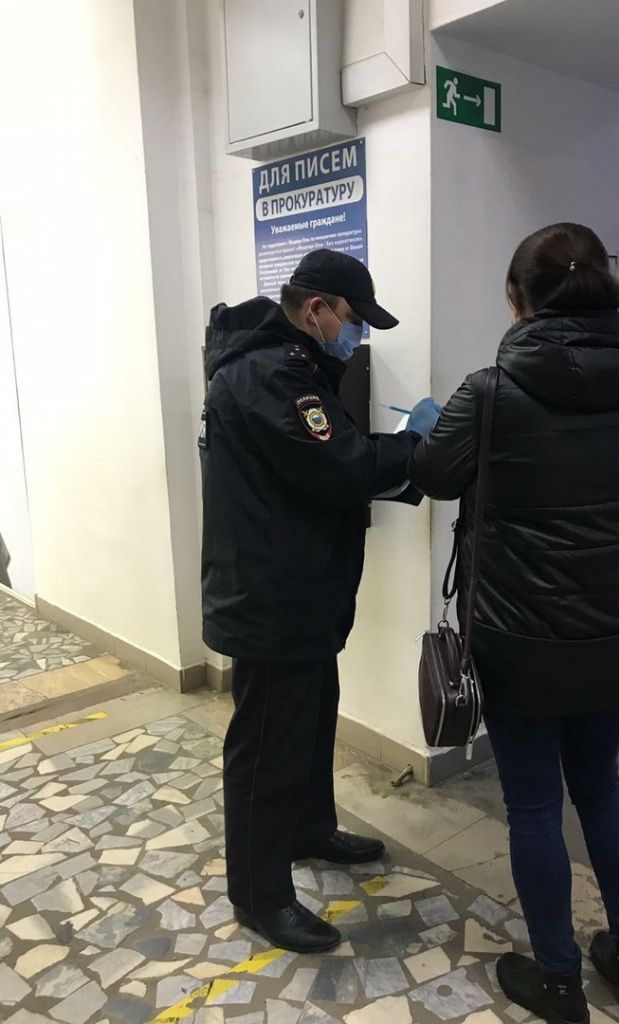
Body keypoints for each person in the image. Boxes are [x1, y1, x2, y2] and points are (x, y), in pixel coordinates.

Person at [410, 223, 619, 1024]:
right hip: (617, 634)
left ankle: (560, 980)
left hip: (519, 640)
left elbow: (431, 474)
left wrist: (433, 427)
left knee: (533, 806)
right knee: (601, 788)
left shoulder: (489, 393)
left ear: (516, 298)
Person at [200, 248, 440, 954]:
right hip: (274, 598)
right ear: (315, 310)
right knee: (267, 748)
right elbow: (340, 465)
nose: (355, 334)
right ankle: (260, 895)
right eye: (352, 319)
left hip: (300, 591)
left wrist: (392, 449)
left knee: (308, 723)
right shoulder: (271, 375)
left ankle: (308, 829)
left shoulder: (295, 367)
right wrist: (413, 444)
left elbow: (328, 459)